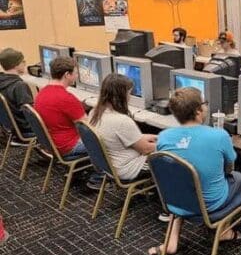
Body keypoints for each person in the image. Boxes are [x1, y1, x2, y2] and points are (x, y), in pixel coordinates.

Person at [147, 87, 241, 255]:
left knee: (182, 183)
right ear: (198, 111)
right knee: (237, 177)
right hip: (209, 205)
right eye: (204, 103)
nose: (206, 106)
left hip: (175, 201)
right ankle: (225, 231)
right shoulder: (219, 135)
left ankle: (171, 242)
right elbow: (230, 162)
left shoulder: (164, 137)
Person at [33, 56, 102, 189]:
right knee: (107, 141)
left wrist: (80, 107)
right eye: (76, 72)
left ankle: (78, 170)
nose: (77, 76)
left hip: (51, 143)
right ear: (67, 75)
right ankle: (98, 179)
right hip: (68, 146)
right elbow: (89, 129)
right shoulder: (67, 98)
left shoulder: (42, 93)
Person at [89, 74, 157, 181]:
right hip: (129, 169)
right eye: (129, 93)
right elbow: (146, 149)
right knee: (170, 156)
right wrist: (167, 143)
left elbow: (129, 137)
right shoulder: (122, 121)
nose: (130, 97)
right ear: (121, 95)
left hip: (109, 167)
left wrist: (157, 137)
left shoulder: (94, 113)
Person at [0, 48, 34, 139]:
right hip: (25, 130)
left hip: (9, 129)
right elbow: (30, 114)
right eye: (23, 61)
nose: (25, 63)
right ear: (16, 65)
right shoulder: (19, 86)